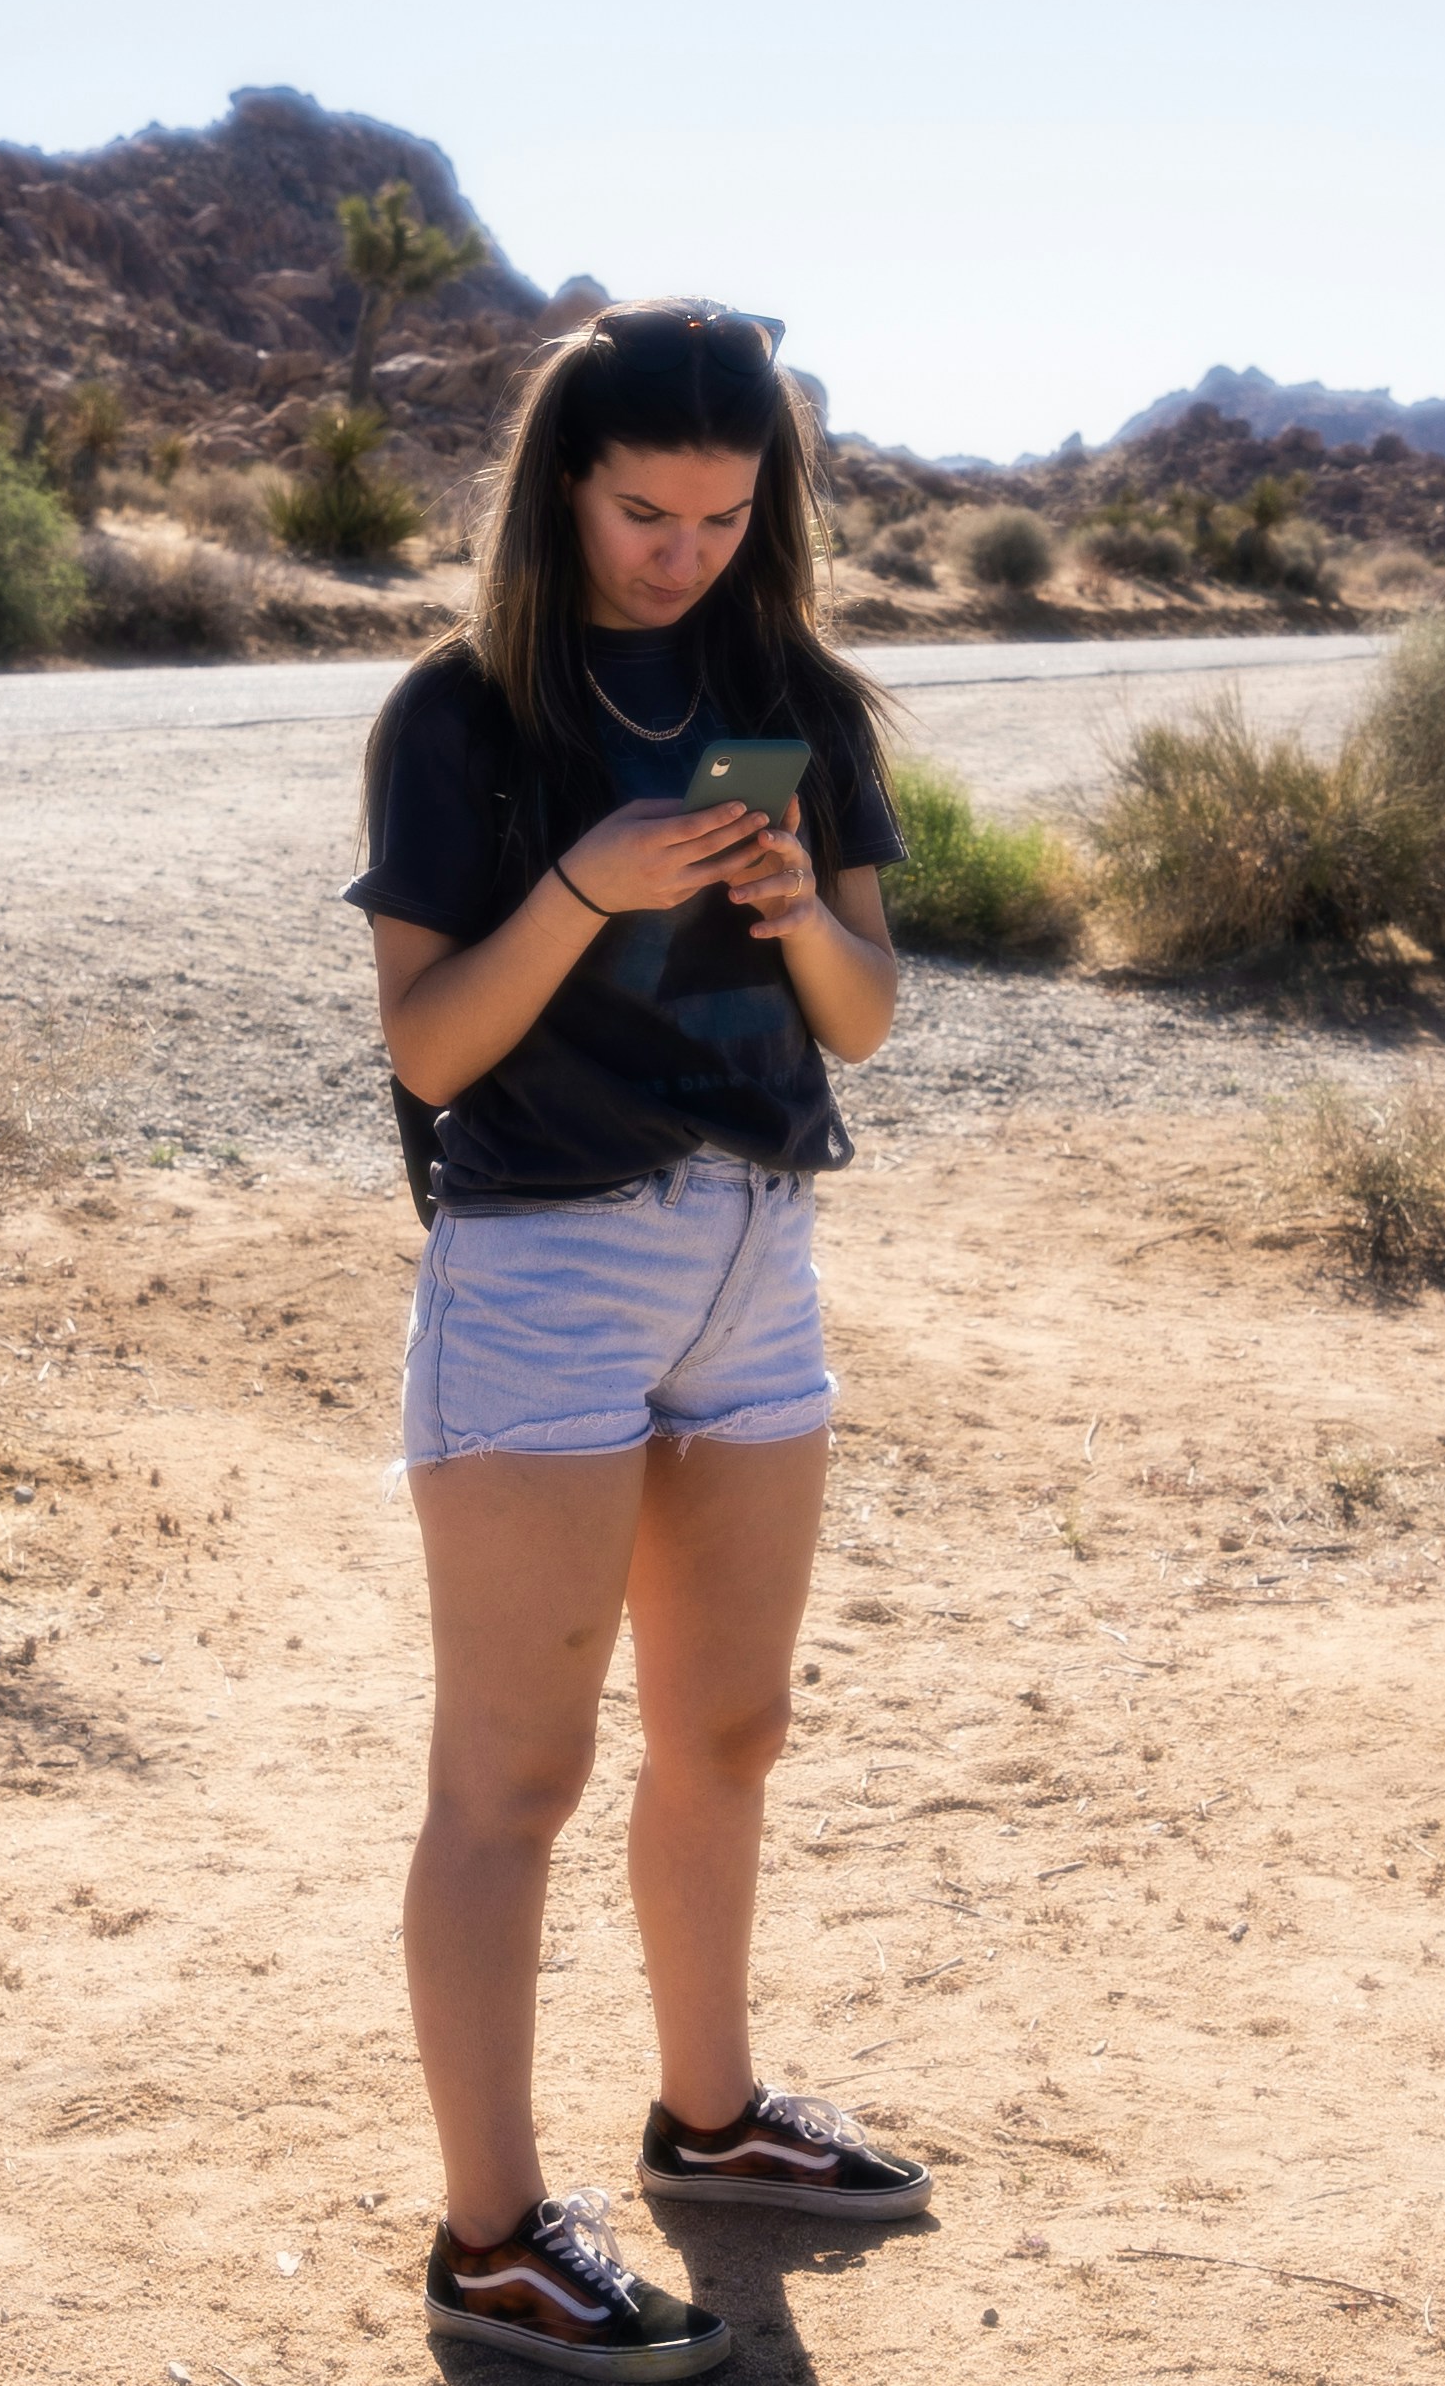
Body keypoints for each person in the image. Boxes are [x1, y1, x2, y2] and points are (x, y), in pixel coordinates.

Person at [343, 301, 935, 2378]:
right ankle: (490, 2238)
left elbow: (866, 1015)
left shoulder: (802, 697)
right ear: (558, 489)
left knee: (731, 1733)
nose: (678, 552)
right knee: (515, 1771)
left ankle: (711, 2117)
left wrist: (791, 913)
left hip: (755, 1248)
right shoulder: (463, 716)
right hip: (540, 1265)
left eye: (720, 512)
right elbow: (429, 1049)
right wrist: (590, 886)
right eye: (639, 511)